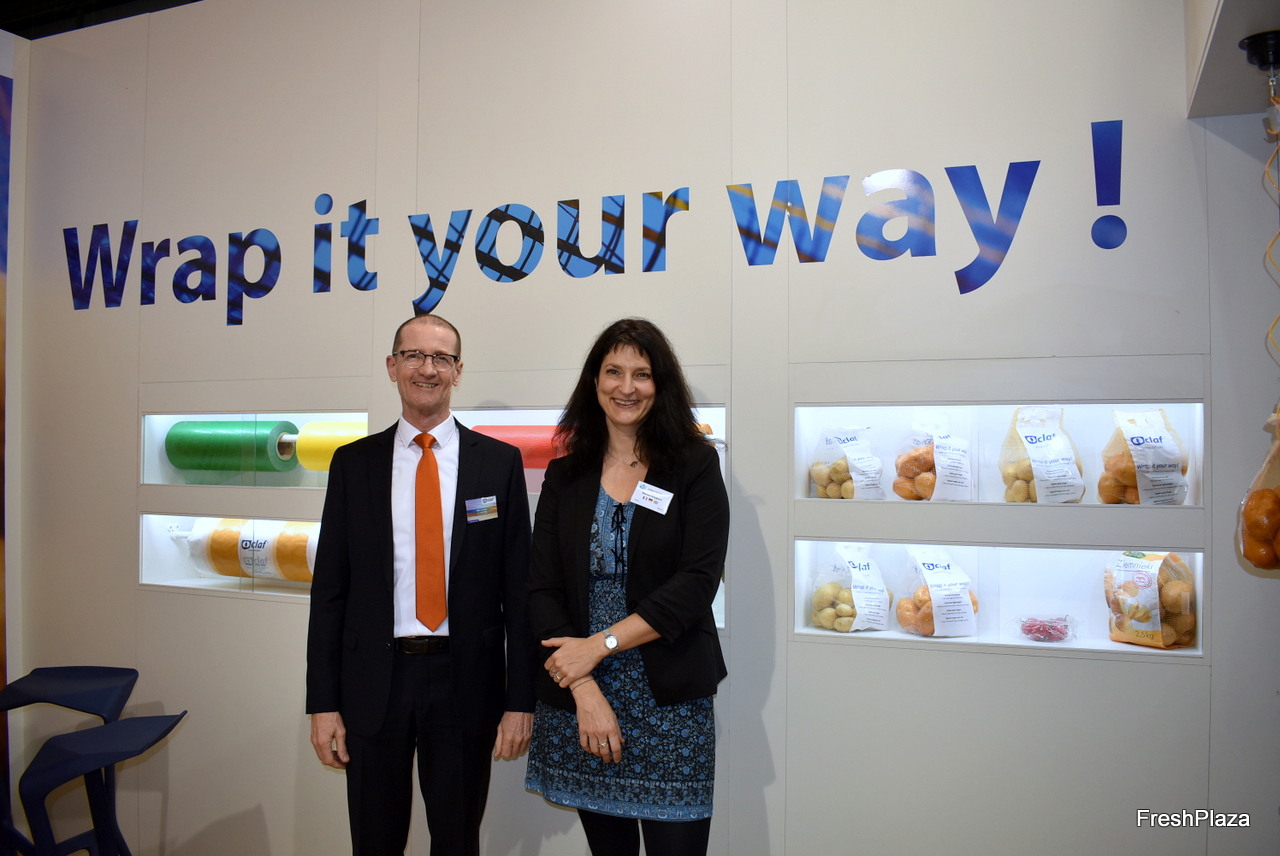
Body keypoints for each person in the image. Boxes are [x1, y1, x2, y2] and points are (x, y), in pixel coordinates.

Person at [306, 314, 536, 856]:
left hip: (466, 683)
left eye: (441, 358)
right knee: (374, 840)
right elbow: (330, 593)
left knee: (457, 841)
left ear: (458, 371)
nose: (426, 369)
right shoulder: (353, 464)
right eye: (413, 355)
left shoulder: (498, 464)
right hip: (373, 684)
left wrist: (521, 701)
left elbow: (519, 592)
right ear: (392, 366)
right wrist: (323, 703)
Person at [524, 318, 729, 856]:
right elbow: (541, 589)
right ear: (594, 381)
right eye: (613, 372)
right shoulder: (565, 475)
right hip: (582, 696)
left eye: (642, 374)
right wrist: (583, 684)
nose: (627, 387)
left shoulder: (694, 465)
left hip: (669, 699)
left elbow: (697, 583)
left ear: (661, 384)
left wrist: (600, 645)